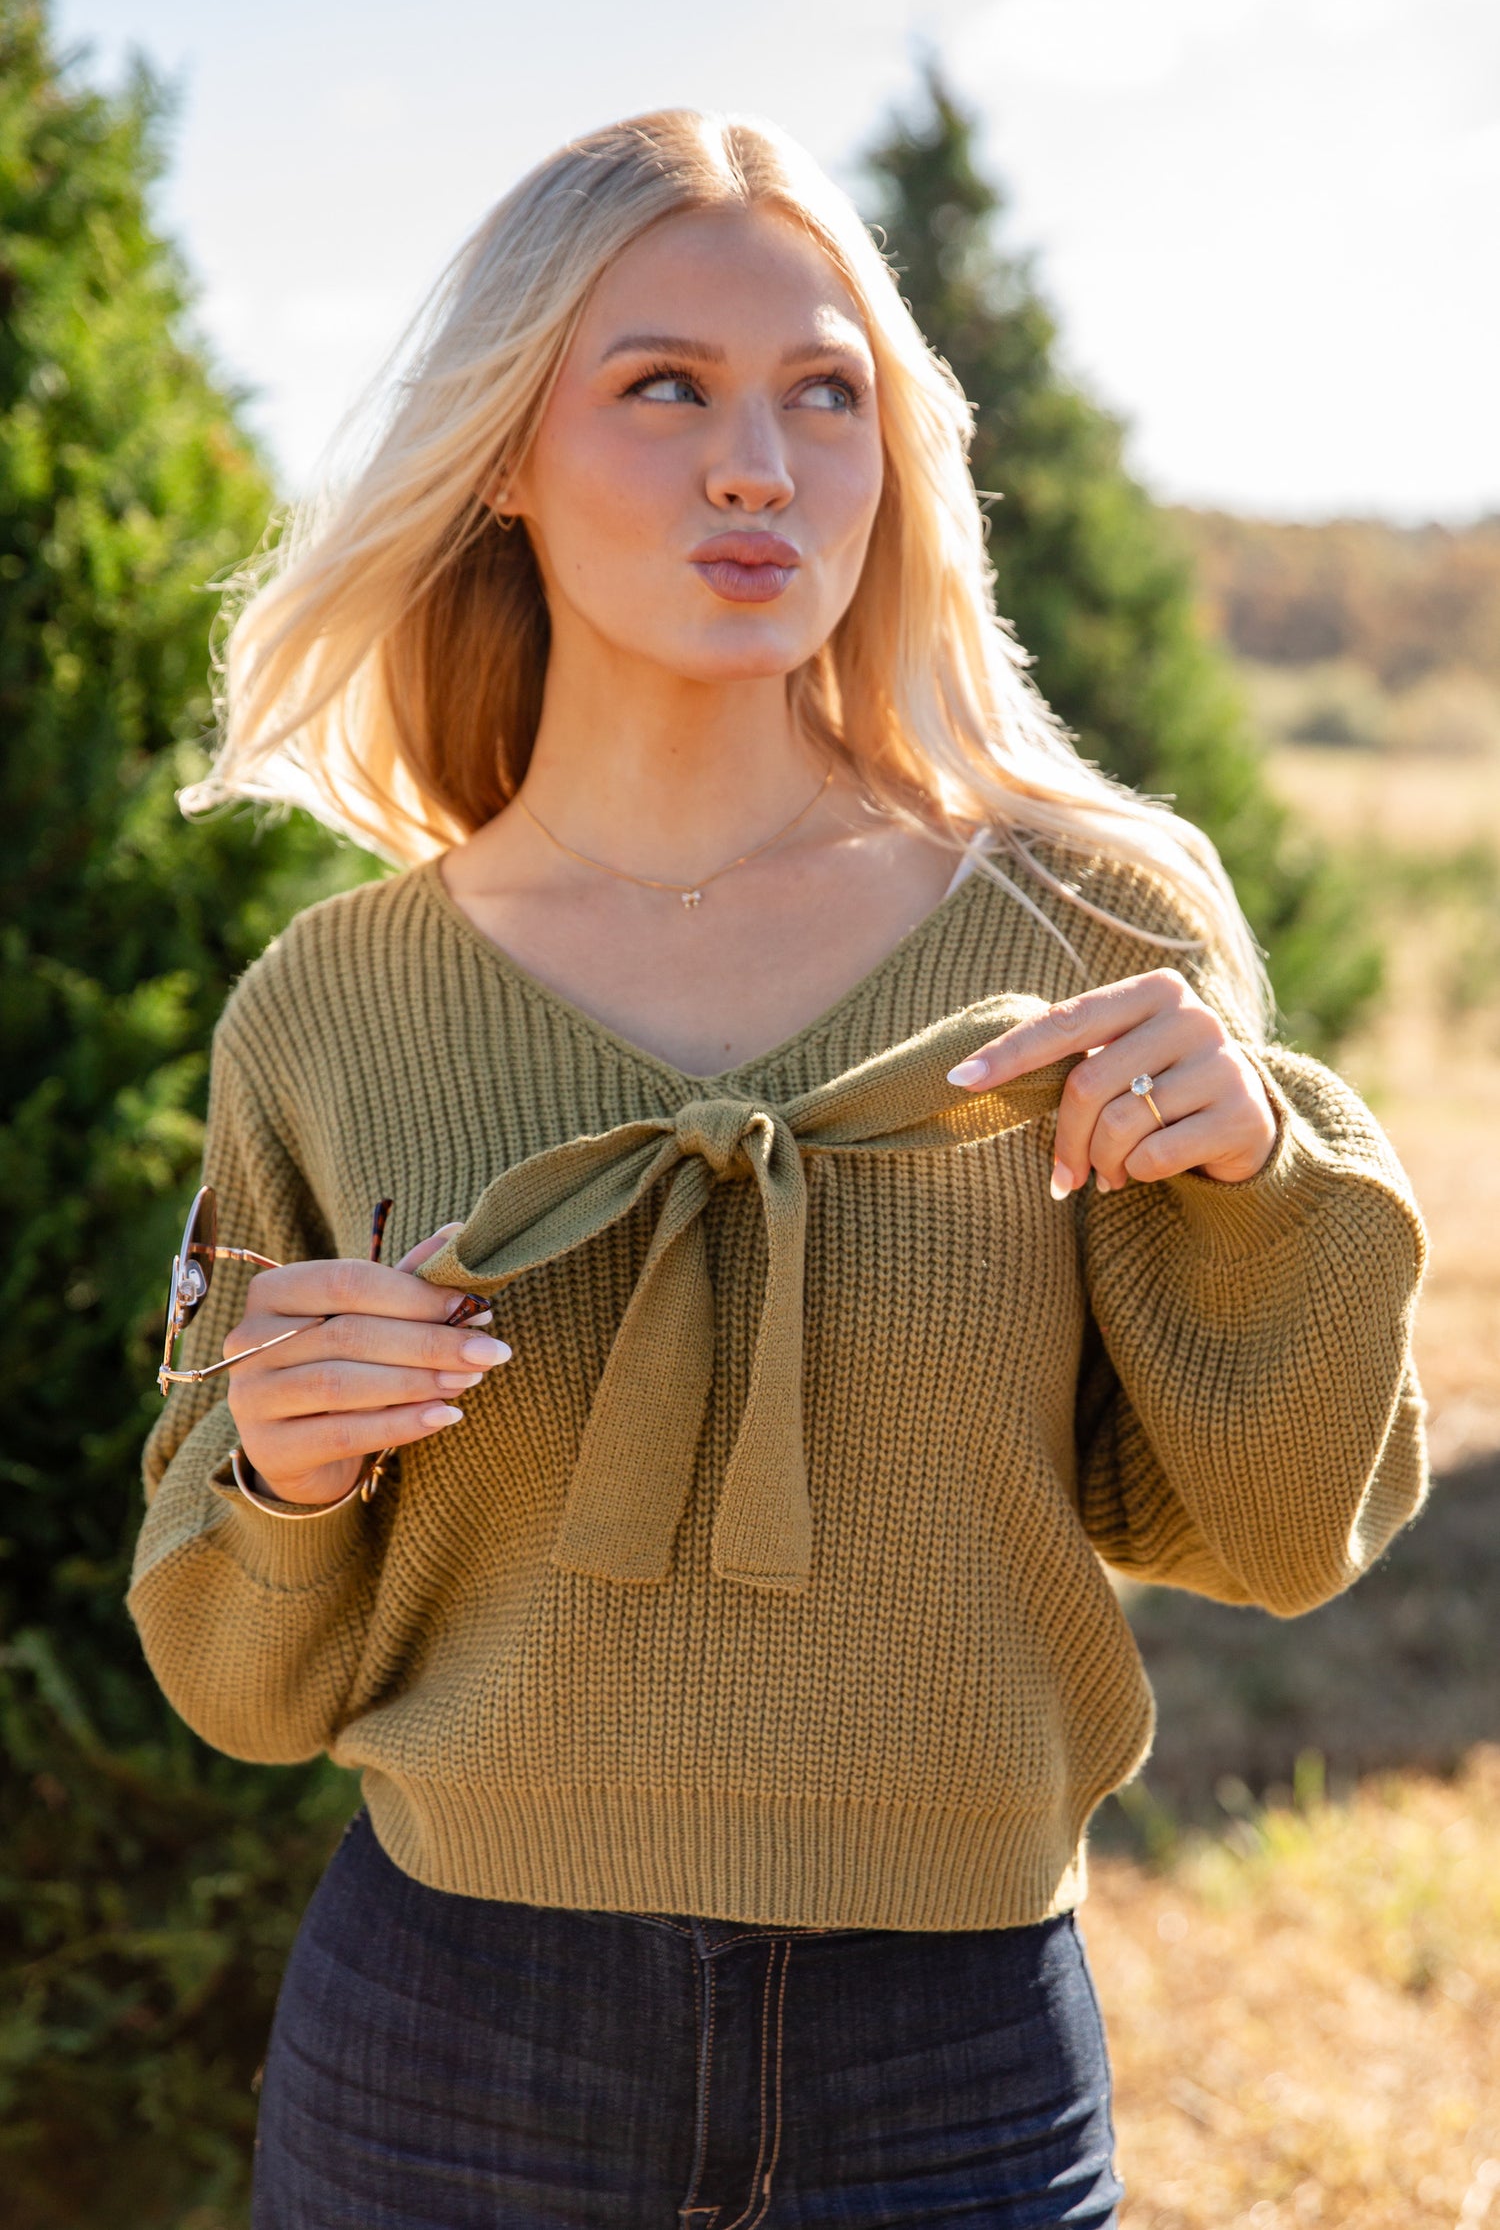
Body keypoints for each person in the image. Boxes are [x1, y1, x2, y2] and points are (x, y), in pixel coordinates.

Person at [129, 109, 1428, 2229]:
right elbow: (238, 1677)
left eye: (829, 394)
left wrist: (1264, 1173)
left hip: (953, 2063)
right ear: (506, 459)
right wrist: (280, 1471)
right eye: (667, 389)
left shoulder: (1101, 936)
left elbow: (1291, 1538)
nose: (763, 464)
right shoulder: (330, 1009)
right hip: (453, 2049)